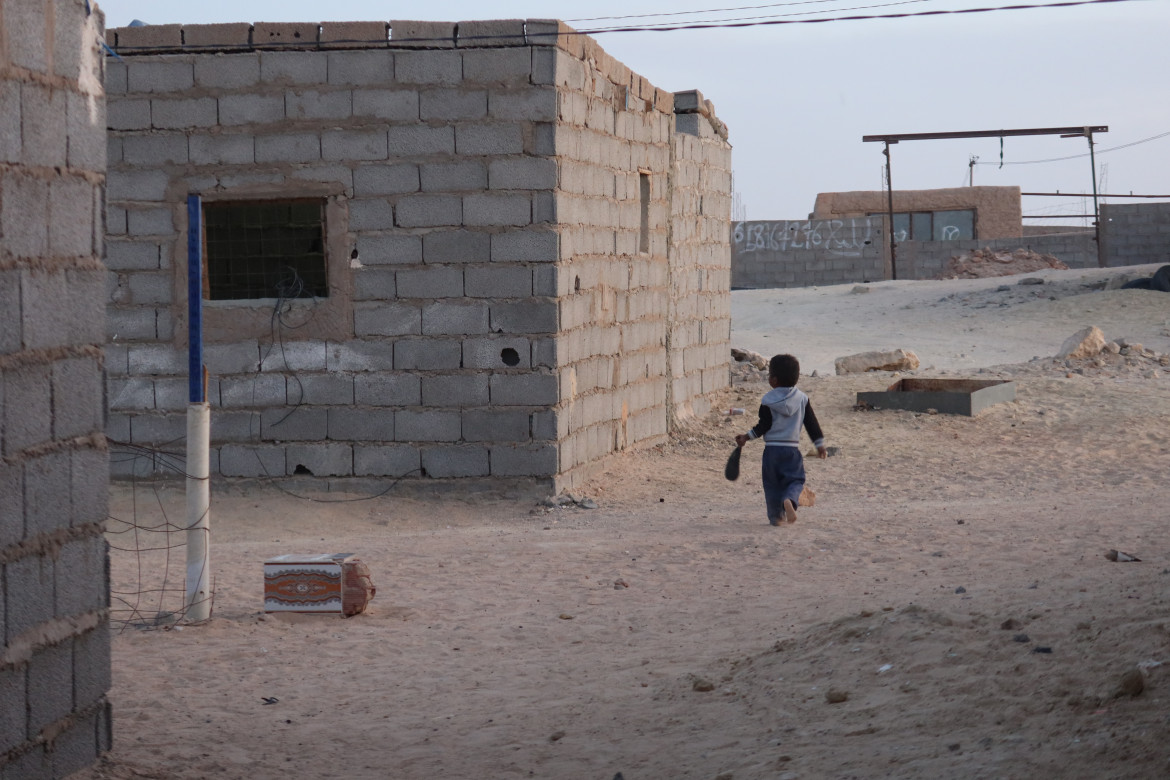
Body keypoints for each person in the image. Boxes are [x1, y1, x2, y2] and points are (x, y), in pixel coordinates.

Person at [735, 354, 827, 526]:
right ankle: (790, 500)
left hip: (771, 452)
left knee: (772, 485)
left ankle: (776, 517)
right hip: (791, 450)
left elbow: (764, 426)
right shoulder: (802, 399)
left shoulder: (768, 401)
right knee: (795, 480)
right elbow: (812, 424)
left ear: (774, 380)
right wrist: (820, 445)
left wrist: (746, 437)